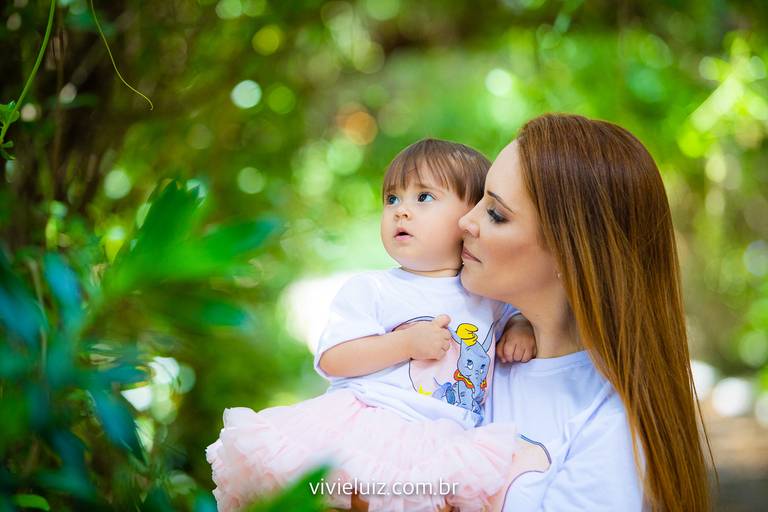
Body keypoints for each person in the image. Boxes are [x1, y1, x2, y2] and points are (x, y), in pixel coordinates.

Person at [206, 139, 543, 512]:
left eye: (424, 198)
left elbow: (520, 311)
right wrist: (404, 345)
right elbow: (335, 358)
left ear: (470, 216)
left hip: (445, 441)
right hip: (371, 425)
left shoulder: (487, 294)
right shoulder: (375, 288)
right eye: (392, 199)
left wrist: (521, 329)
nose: (401, 212)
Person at [458, 113, 713, 511]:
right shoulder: (465, 338)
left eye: (495, 213)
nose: (464, 221)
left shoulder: (610, 427)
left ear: (570, 253)